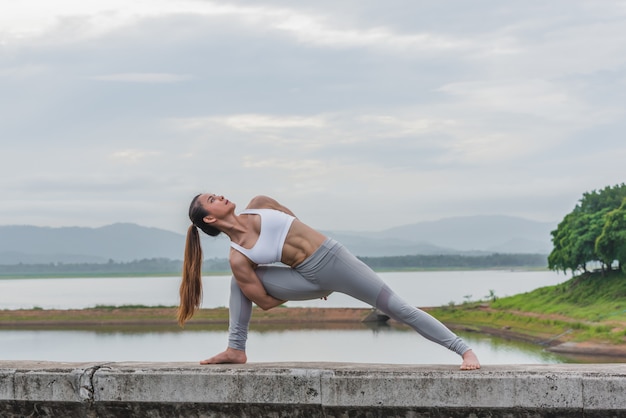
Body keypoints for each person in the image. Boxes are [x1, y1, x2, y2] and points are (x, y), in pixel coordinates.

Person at [178, 193, 481, 370]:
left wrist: (322, 278)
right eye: (212, 199)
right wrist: (308, 289)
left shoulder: (259, 202)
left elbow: (292, 221)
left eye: (216, 193)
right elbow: (266, 302)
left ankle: (464, 350)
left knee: (397, 308)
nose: (220, 196)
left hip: (336, 260)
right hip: (306, 277)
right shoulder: (240, 257)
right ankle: (235, 350)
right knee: (238, 283)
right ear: (209, 219)